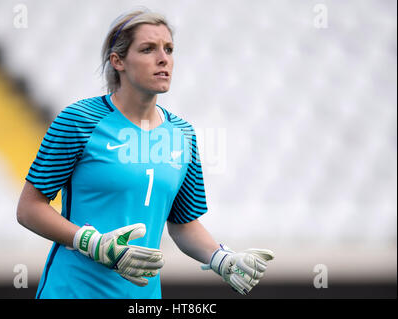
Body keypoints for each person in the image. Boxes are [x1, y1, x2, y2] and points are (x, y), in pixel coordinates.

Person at [17, 8, 274, 299]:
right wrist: (90, 241)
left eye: (169, 49)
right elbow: (29, 209)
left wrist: (221, 258)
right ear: (118, 61)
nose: (163, 58)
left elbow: (182, 223)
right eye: (148, 49)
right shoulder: (78, 120)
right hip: (72, 291)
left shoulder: (182, 133)